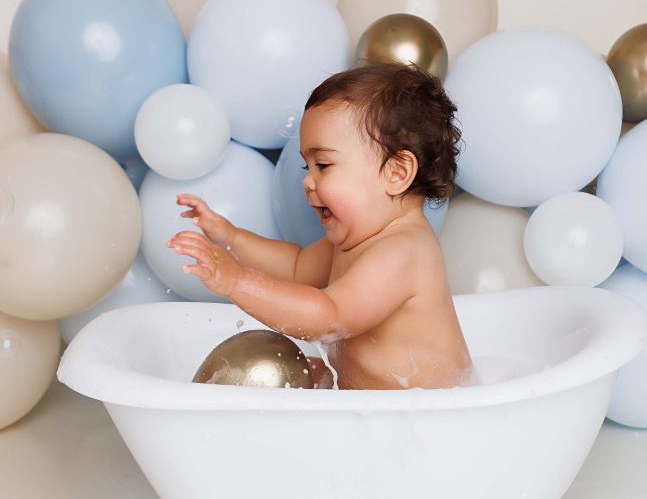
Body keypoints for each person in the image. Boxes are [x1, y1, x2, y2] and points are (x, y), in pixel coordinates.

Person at [168, 62, 474, 390]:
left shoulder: (404, 251)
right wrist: (231, 237)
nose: (307, 181)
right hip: (381, 410)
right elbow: (297, 267)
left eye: (323, 165)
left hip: (430, 420)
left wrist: (235, 281)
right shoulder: (354, 241)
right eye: (307, 165)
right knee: (295, 370)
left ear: (396, 173)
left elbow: (330, 317)